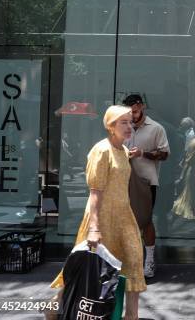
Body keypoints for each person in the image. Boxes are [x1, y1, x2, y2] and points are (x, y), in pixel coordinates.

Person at [50, 105, 146, 320]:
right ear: (110, 126)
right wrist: (94, 228)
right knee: (87, 269)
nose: (129, 126)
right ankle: (54, 308)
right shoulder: (101, 150)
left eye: (131, 122)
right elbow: (94, 193)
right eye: (123, 122)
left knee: (133, 262)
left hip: (123, 217)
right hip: (101, 219)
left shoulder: (121, 151)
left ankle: (131, 316)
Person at [122, 94, 170, 279]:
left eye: (134, 111)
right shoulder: (122, 125)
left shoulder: (156, 128)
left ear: (141, 106)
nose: (131, 115)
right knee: (124, 221)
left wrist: (142, 153)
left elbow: (164, 154)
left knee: (145, 220)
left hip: (145, 181)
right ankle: (129, 261)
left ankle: (149, 260)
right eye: (128, 112)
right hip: (123, 179)